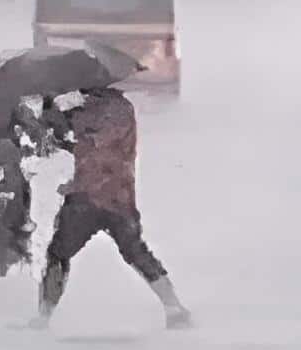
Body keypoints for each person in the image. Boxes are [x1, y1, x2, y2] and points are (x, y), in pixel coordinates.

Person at [33, 86, 192, 329]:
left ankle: (173, 307)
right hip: (97, 195)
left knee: (134, 252)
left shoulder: (115, 108)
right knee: (60, 253)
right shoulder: (91, 105)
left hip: (104, 197)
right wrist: (51, 110)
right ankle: (43, 316)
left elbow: (94, 138)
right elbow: (68, 140)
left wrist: (64, 112)